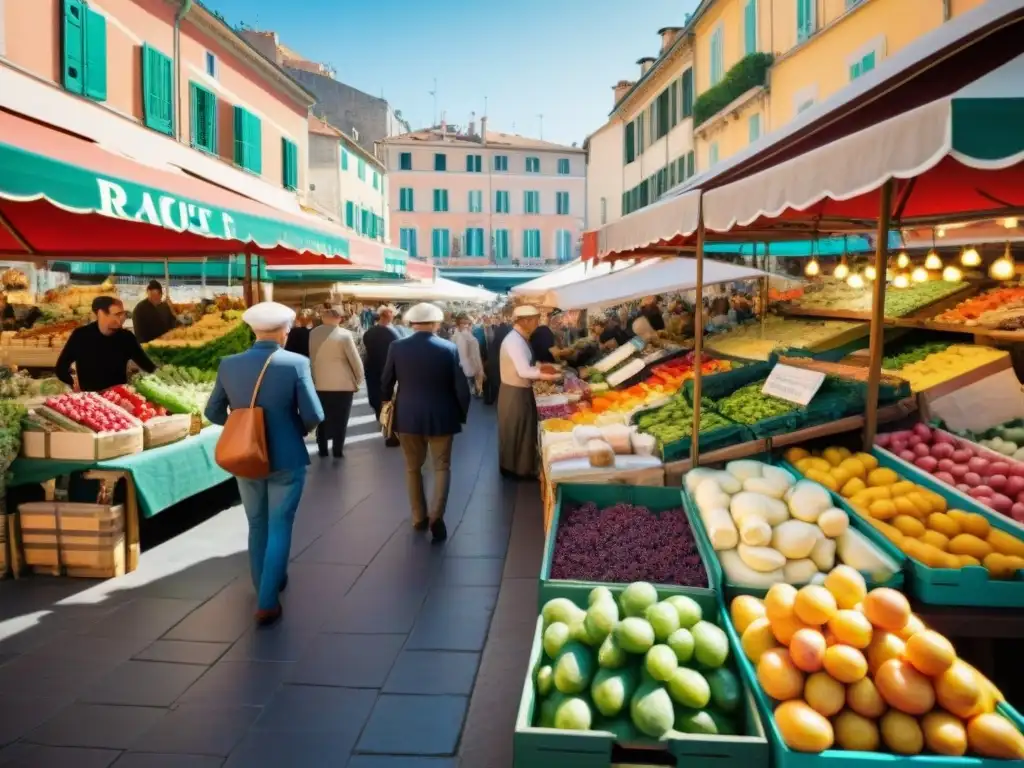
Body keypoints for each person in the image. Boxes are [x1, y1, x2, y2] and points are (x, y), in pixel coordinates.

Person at [204, 302, 323, 627]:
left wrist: (241, 424)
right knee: (280, 524)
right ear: (284, 330)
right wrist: (291, 429)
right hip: (286, 456)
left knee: (257, 524)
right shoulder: (296, 363)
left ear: (252, 330)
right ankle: (268, 600)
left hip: (246, 456)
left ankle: (263, 587)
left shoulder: (228, 364)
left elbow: (212, 412)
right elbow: (315, 414)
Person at [381, 302, 470, 542]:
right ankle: (437, 515)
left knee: (412, 467)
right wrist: (461, 414)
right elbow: (461, 388)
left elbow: (386, 381)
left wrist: (385, 403)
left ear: (412, 323)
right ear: (435, 323)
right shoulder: (448, 348)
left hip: (407, 415)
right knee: (442, 466)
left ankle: (418, 516)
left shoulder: (397, 347)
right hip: (442, 415)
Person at [498, 305, 561, 480]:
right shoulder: (514, 341)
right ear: (525, 321)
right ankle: (516, 470)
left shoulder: (519, 338)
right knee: (517, 430)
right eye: (535, 320)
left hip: (518, 390)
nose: (537, 323)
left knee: (521, 430)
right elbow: (524, 371)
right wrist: (548, 375)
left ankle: (518, 468)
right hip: (515, 392)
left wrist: (541, 368)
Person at [56, 296, 157, 392]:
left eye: (123, 314)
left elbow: (147, 365)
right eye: (117, 314)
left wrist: (163, 377)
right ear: (101, 314)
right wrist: (72, 383)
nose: (122, 319)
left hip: (118, 398)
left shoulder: (126, 337)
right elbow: (61, 368)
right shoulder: (81, 336)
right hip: (90, 400)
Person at [308, 306, 364, 458]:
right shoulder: (345, 335)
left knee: (322, 418)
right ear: (339, 318)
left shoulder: (313, 333)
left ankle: (322, 449)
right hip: (343, 384)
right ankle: (337, 449)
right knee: (341, 417)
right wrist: (358, 380)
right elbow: (355, 361)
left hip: (319, 383)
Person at [363, 304, 401, 446]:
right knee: (389, 399)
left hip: (372, 369)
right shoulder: (393, 333)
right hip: (388, 370)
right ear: (387, 316)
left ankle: (382, 421)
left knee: (377, 398)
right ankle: (389, 429)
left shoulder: (369, 332)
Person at [453, 313, 485, 397]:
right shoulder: (461, 336)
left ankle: (476, 391)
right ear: (458, 325)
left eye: (469, 323)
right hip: (468, 370)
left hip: (473, 368)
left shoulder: (468, 334)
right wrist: (471, 370)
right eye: (463, 323)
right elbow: (463, 356)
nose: (466, 325)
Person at [484, 313, 512, 406]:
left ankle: (492, 399)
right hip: (501, 364)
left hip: (493, 363)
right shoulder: (507, 340)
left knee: (494, 383)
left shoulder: (495, 340)